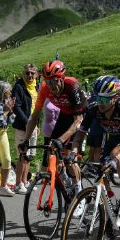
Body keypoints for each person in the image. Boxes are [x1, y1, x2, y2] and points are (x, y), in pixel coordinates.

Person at [71, 76, 120, 216]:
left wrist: (116, 159)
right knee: (101, 170)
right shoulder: (93, 107)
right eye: (98, 97)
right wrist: (73, 152)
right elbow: (80, 134)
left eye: (105, 99)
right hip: (113, 137)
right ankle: (111, 201)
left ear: (115, 97)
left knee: (116, 156)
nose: (100, 102)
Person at [18, 60, 85, 194]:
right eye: (48, 82)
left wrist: (61, 140)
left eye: (54, 81)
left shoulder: (72, 85)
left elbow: (78, 120)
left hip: (80, 117)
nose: (51, 86)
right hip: (65, 116)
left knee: (69, 158)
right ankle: (66, 179)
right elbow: (34, 116)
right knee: (51, 152)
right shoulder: (44, 88)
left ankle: (79, 191)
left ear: (61, 78)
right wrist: (25, 140)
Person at [12, 64, 39, 194]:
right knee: (22, 154)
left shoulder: (36, 86)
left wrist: (36, 125)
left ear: (36, 75)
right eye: (27, 73)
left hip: (33, 126)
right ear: (24, 73)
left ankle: (25, 181)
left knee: (29, 156)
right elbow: (16, 106)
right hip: (23, 126)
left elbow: (36, 107)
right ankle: (18, 184)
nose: (30, 75)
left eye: (32, 73)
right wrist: (27, 121)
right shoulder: (19, 86)